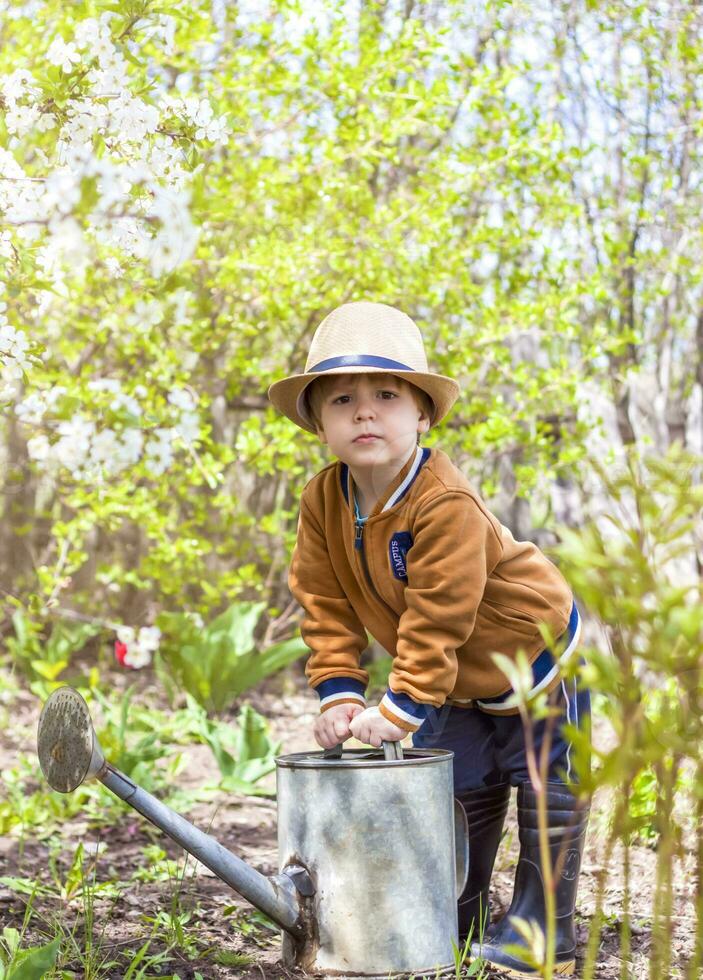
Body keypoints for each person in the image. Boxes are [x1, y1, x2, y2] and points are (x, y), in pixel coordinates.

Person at [267, 300, 590, 978]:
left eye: (386, 395)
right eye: (342, 400)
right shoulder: (323, 501)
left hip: (528, 650)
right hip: (447, 672)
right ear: (318, 422)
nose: (364, 412)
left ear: (421, 414)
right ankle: (455, 908)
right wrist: (337, 691)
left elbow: (440, 611)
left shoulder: (444, 502)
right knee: (456, 783)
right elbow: (322, 601)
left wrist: (402, 699)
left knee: (540, 785)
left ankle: (542, 924)